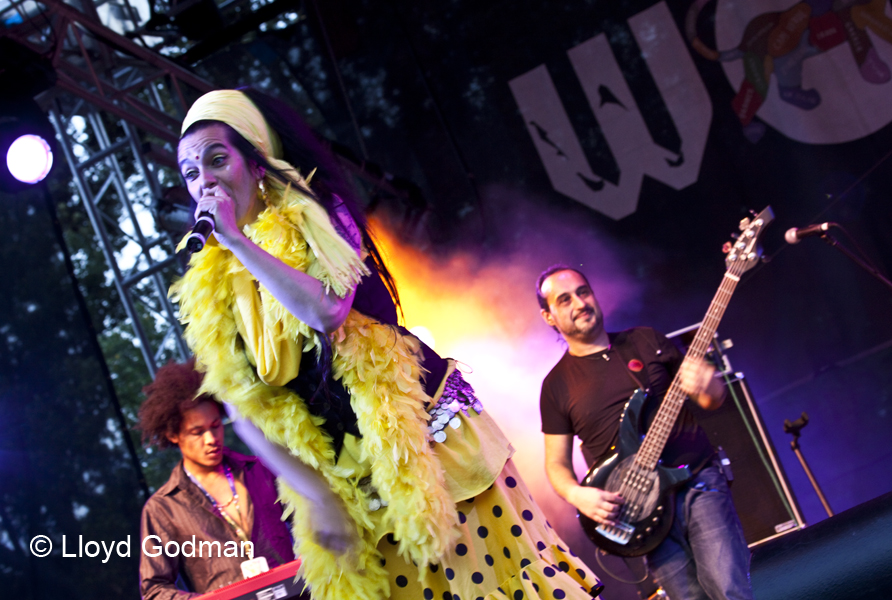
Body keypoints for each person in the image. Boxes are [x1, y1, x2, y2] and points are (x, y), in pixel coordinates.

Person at [168, 88, 603, 600]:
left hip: (423, 436)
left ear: (258, 162)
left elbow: (327, 310)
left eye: (218, 160)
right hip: (350, 479)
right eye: (191, 173)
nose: (205, 181)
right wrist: (317, 497)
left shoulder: (317, 211)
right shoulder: (214, 288)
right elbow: (245, 410)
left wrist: (239, 243)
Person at [536, 266, 753, 600]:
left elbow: (711, 398)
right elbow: (556, 464)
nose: (579, 303)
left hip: (696, 481)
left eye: (583, 292)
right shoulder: (555, 386)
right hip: (639, 513)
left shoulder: (644, 341)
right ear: (548, 316)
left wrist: (709, 383)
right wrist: (578, 495)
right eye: (564, 300)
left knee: (729, 591)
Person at [137, 359, 297, 599]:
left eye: (215, 426)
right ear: (172, 434)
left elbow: (314, 522)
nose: (211, 438)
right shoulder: (162, 509)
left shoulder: (262, 470)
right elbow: (154, 590)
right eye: (197, 432)